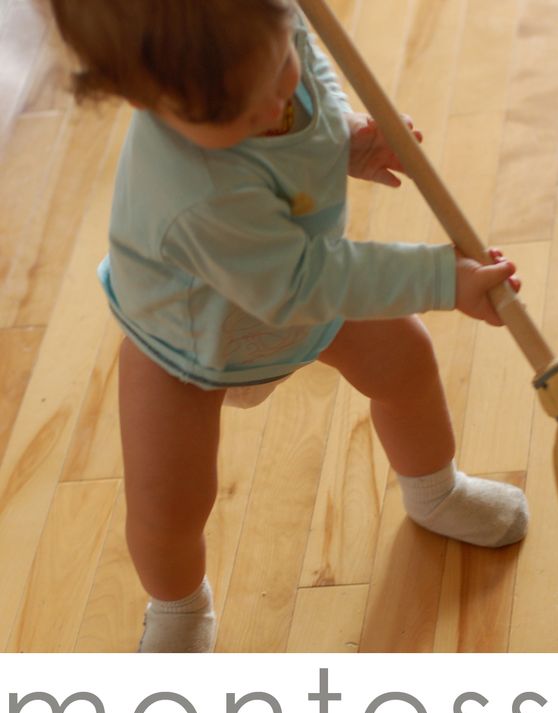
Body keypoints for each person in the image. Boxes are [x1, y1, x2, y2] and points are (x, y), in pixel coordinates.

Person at [47, 0, 529, 652]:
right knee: (169, 507)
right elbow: (306, 283)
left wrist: (347, 139)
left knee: (406, 363)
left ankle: (436, 492)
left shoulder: (269, 33)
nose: (275, 102)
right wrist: (445, 279)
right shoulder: (194, 195)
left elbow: (312, 89)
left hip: (292, 289)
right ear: (137, 97)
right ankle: (179, 609)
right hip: (189, 337)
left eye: (281, 62)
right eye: (234, 112)